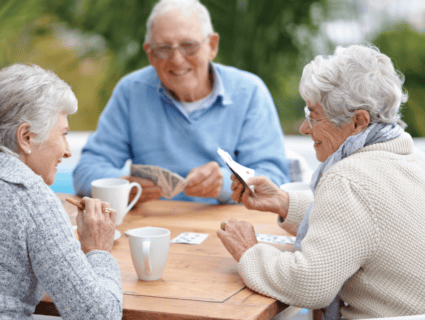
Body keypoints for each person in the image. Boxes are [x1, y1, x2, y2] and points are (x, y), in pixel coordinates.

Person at [217, 44, 425, 319]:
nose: (304, 128)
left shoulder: (348, 178)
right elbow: (362, 223)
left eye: (314, 116)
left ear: (358, 121)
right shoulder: (411, 159)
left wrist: (249, 252)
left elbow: (310, 284)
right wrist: (284, 203)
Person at [0, 64, 123, 319]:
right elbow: (99, 315)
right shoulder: (28, 197)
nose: (68, 151)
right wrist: (99, 250)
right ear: (25, 137)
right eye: (63, 134)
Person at [72, 0, 290, 205]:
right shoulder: (131, 91)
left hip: (227, 225)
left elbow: (275, 178)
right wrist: (120, 185)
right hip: (151, 227)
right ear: (150, 53)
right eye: (163, 48)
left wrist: (224, 183)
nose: (176, 59)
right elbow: (86, 170)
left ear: (212, 46)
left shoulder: (249, 91)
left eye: (189, 46)